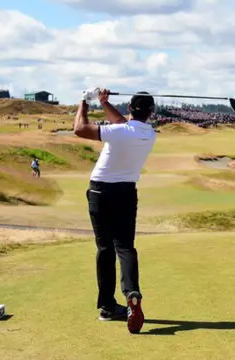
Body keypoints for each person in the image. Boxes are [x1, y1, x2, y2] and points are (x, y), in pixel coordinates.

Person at [73, 87, 156, 334]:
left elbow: (79, 129)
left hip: (100, 191)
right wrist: (104, 102)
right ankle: (132, 292)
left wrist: (84, 102)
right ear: (151, 113)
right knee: (125, 247)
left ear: (130, 108)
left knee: (105, 248)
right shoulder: (149, 133)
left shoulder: (119, 131)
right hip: (127, 192)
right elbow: (122, 122)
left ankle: (108, 306)